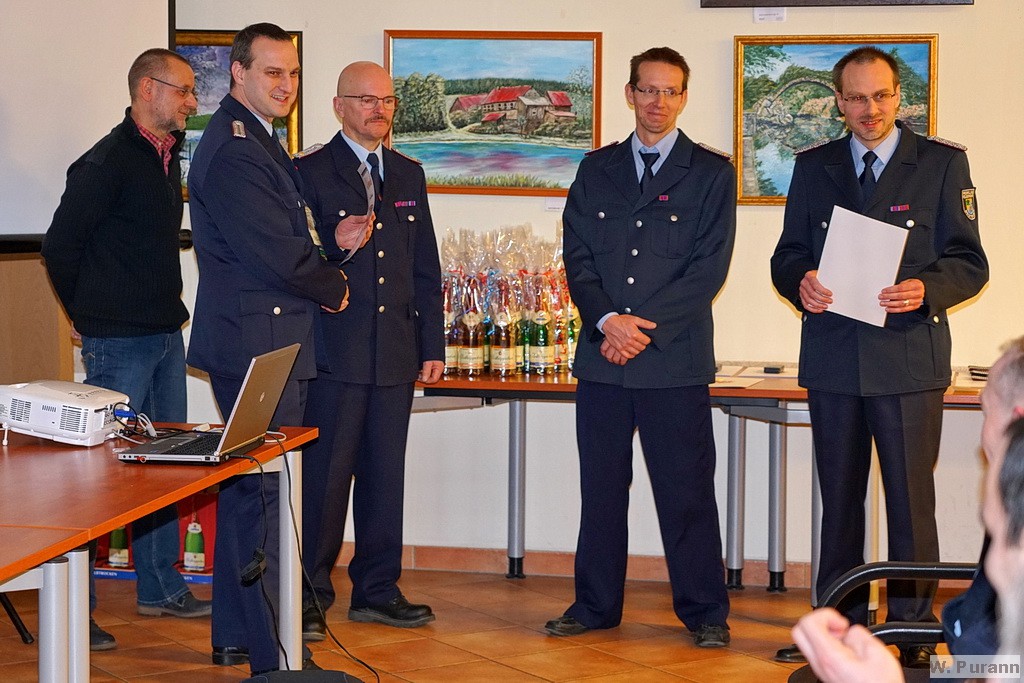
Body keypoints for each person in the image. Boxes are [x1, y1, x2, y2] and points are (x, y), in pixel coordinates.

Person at [770, 45, 989, 668]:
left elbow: (970, 262)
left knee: (910, 505)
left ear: (899, 98)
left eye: (881, 96)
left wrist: (927, 289)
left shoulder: (942, 163)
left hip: (908, 359)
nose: (870, 109)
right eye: (857, 98)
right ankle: (837, 634)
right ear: (839, 103)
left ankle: (912, 635)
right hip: (835, 358)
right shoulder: (814, 166)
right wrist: (800, 281)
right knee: (839, 504)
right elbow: (787, 255)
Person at [546, 46, 735, 648]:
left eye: (670, 91)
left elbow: (708, 270)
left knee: (686, 493)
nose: (658, 102)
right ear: (629, 94)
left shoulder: (711, 172)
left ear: (684, 98)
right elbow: (577, 255)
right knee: (601, 491)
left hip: (673, 362)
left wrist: (636, 332)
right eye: (647, 89)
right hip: (603, 360)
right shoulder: (596, 168)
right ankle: (594, 606)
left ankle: (705, 613)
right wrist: (608, 322)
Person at [186, 23, 352, 675]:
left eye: (293, 73)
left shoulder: (255, 137)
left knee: (248, 492)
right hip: (260, 344)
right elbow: (277, 253)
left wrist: (331, 243)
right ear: (238, 73)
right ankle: (280, 659)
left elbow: (290, 233)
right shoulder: (235, 149)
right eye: (272, 72)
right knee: (267, 499)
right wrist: (334, 284)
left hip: (267, 337)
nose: (286, 85)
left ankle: (237, 633)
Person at [41, 47, 210, 651]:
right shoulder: (107, 161)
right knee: (100, 479)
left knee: (166, 465)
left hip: (165, 333)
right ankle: (75, 610)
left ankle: (161, 587)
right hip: (117, 340)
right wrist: (85, 317)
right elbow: (59, 247)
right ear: (147, 89)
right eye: (183, 90)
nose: (192, 101)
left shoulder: (165, 156)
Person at [294, 61, 444, 639]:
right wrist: (333, 247)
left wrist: (432, 343)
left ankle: (378, 590)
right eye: (365, 100)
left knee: (385, 478)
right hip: (335, 352)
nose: (378, 110)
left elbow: (423, 267)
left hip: (395, 353)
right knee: (325, 481)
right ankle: (308, 593)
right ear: (338, 106)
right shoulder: (308, 170)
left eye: (386, 100)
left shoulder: (407, 173)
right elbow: (295, 261)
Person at [791, 339, 1024, 682]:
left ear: (1015, 419)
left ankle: (913, 635)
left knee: (911, 512)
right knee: (839, 515)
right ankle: (849, 632)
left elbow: (991, 663)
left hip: (906, 359)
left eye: (985, 409)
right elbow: (989, 662)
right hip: (991, 664)